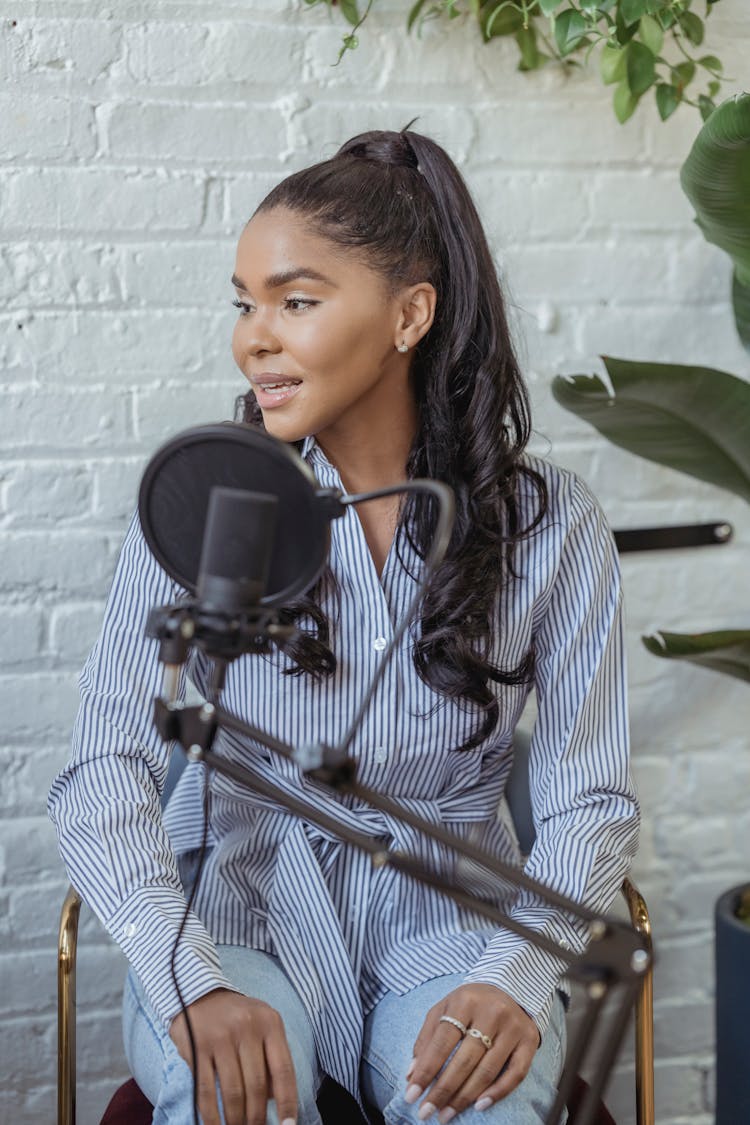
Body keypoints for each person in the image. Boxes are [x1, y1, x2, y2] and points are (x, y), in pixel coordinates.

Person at [48, 128, 639, 1125]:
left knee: (486, 1109)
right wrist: (188, 975)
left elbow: (588, 801)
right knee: (234, 1097)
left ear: (409, 315)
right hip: (236, 915)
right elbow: (102, 768)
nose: (253, 336)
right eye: (245, 304)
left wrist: (515, 976)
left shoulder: (551, 524)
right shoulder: (202, 501)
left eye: (296, 300)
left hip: (453, 928)